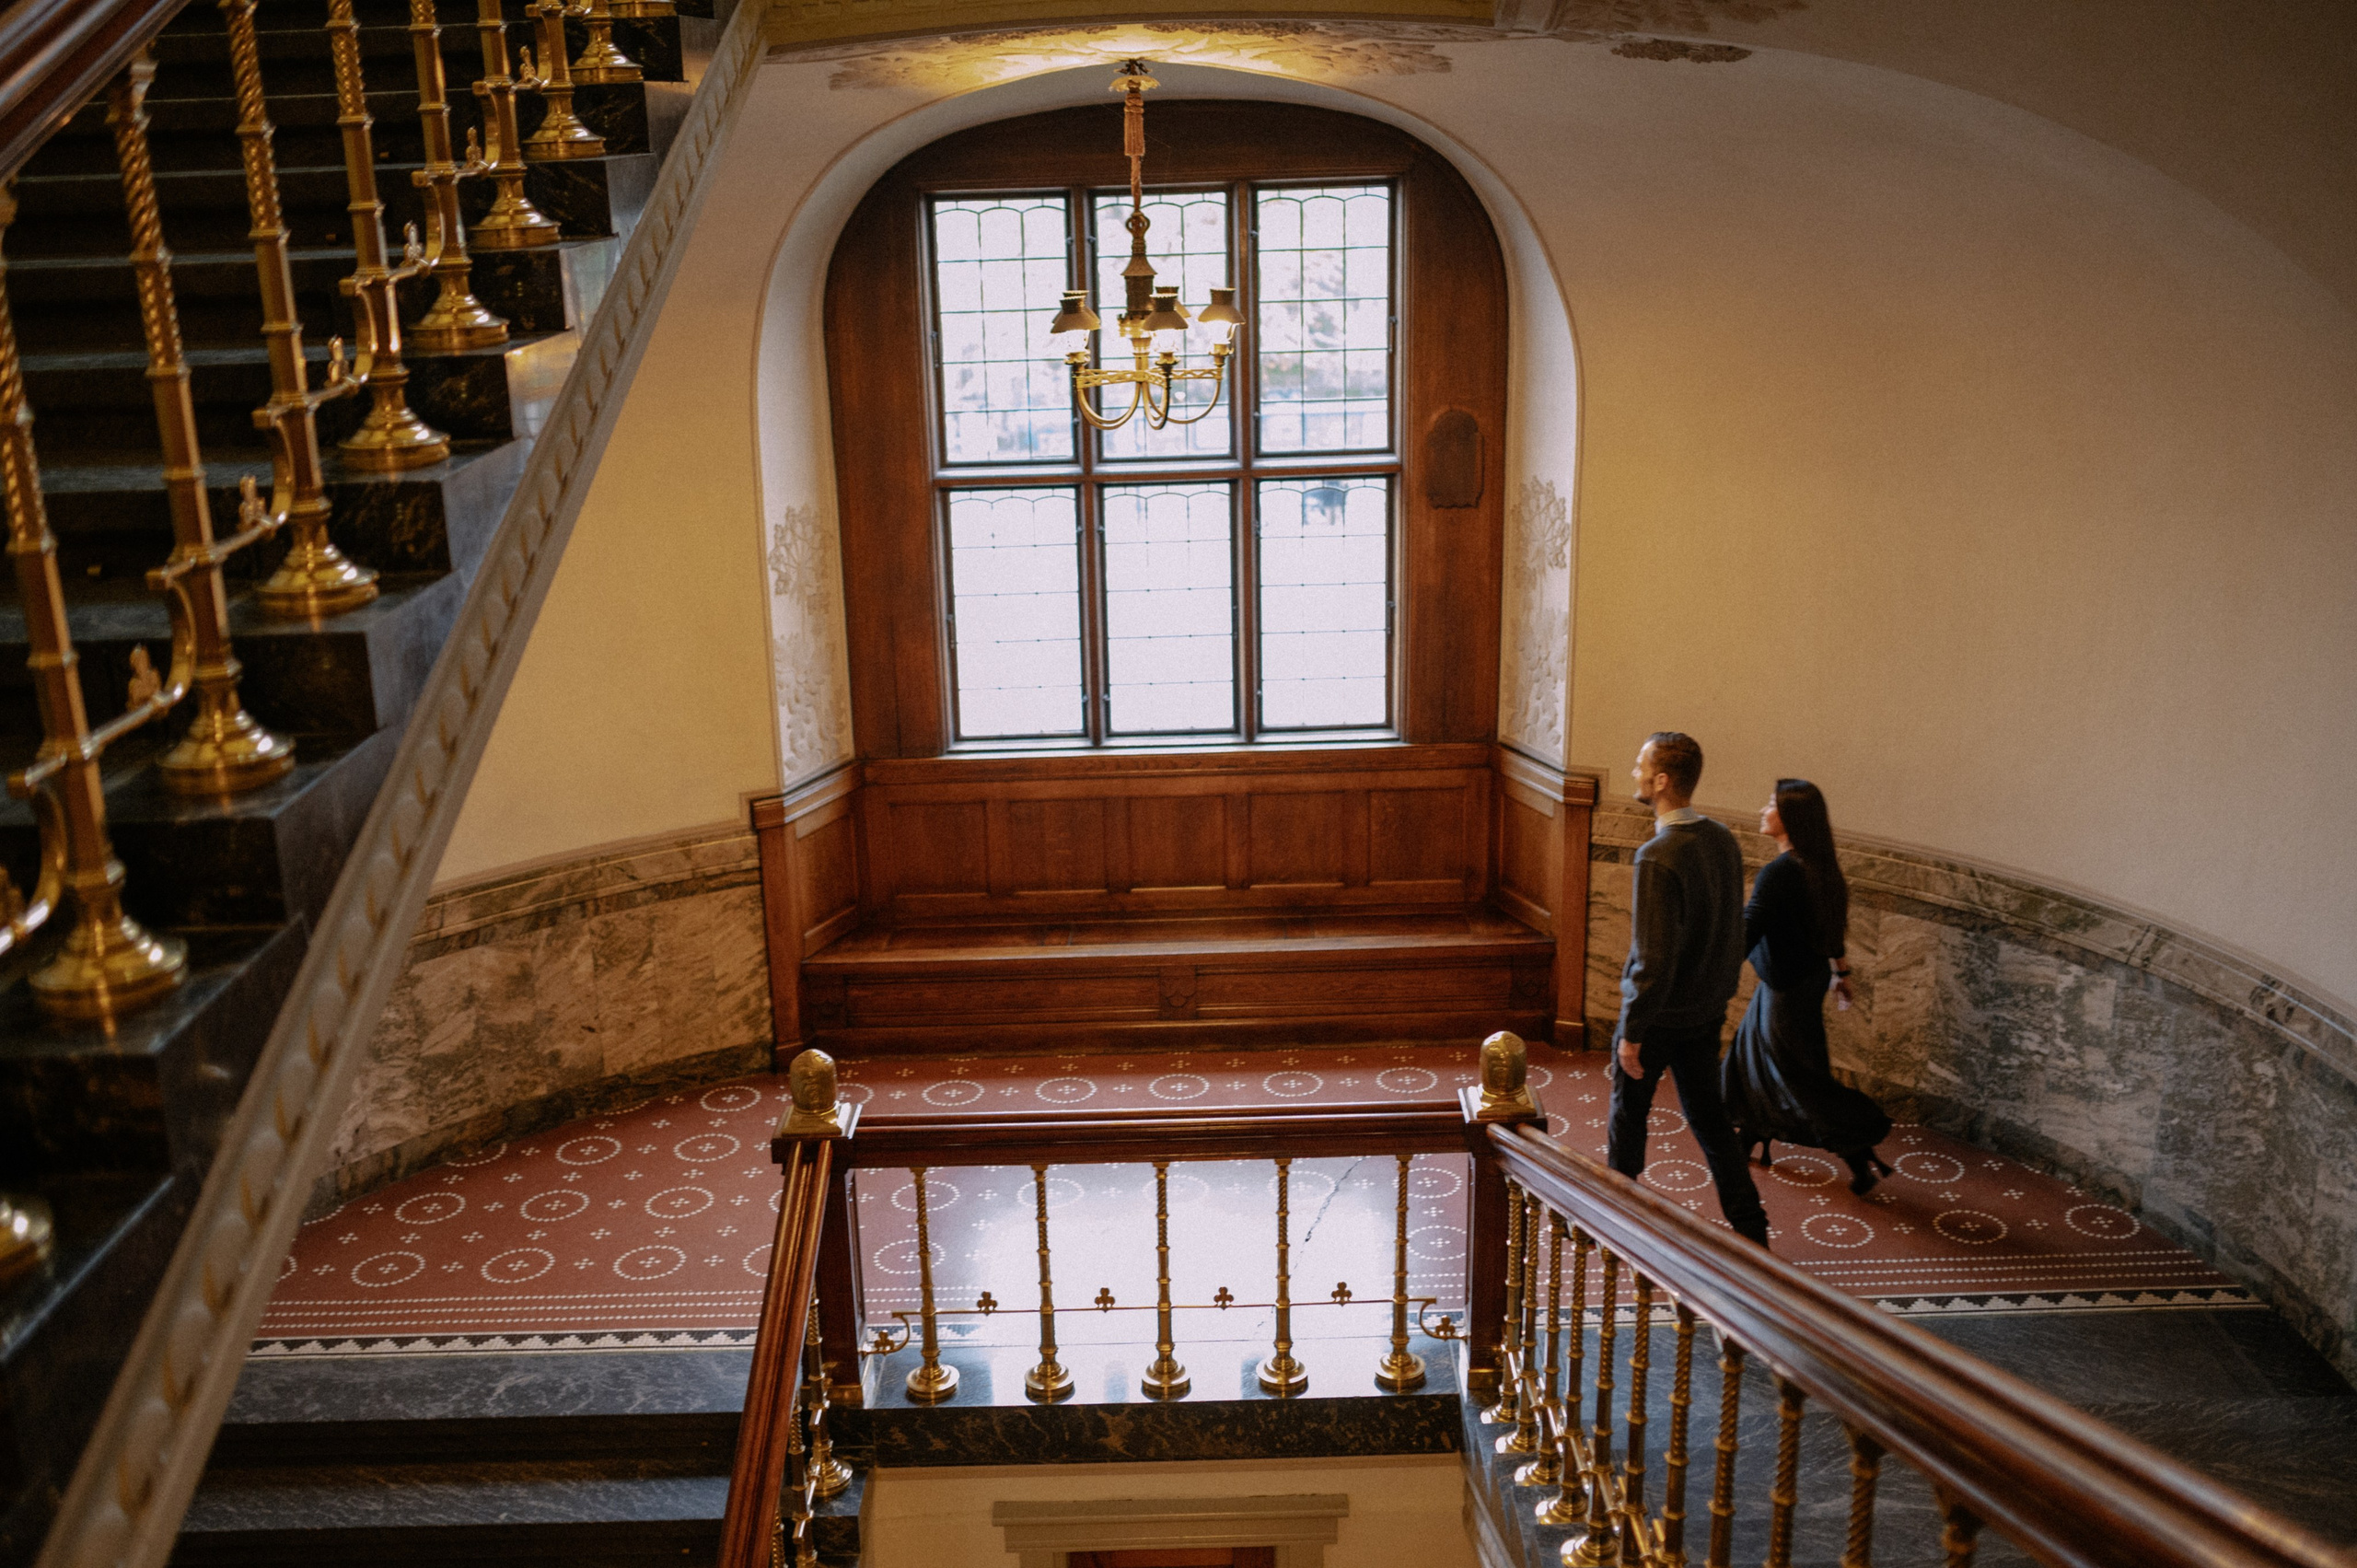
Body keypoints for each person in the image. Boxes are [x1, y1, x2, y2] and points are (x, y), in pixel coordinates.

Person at [1608, 732, 1771, 1248]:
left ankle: (1618, 1219)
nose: (1633, 772)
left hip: (1657, 1020)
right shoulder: (1721, 838)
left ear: (1661, 780)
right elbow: (1732, 931)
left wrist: (1632, 1032)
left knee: (1628, 1118)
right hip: (1704, 1015)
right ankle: (1753, 1232)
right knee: (1713, 1125)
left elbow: (1653, 958)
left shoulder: (1658, 855)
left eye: (1640, 765)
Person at [1722, 779, 1895, 1195]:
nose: (1763, 811)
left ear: (1791, 818)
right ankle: (1751, 1135)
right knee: (1750, 1057)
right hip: (1800, 980)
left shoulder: (1780, 872)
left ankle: (1858, 1144)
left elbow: (1748, 930)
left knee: (1799, 1076)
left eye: (1771, 805)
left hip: (1786, 988)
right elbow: (1829, 927)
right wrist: (1842, 972)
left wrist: (1713, 972)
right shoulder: (1820, 865)